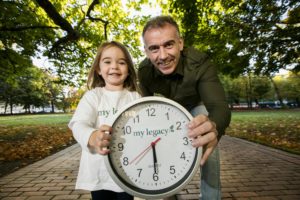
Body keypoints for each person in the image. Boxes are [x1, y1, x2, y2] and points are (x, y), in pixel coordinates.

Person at [138, 15, 231, 200]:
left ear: (180, 43)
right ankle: (167, 192)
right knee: (158, 141)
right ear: (147, 51)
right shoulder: (144, 71)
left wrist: (214, 127)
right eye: (154, 48)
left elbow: (219, 106)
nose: (163, 56)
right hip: (166, 111)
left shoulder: (200, 62)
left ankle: (211, 196)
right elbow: (147, 109)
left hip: (196, 106)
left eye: (169, 45)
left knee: (206, 137)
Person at [68, 41, 140, 200]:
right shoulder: (93, 96)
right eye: (107, 61)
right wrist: (92, 136)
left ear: (128, 70)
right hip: (99, 172)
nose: (114, 66)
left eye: (121, 62)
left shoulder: (135, 98)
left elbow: (143, 127)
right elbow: (78, 124)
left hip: (127, 172)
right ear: (99, 70)